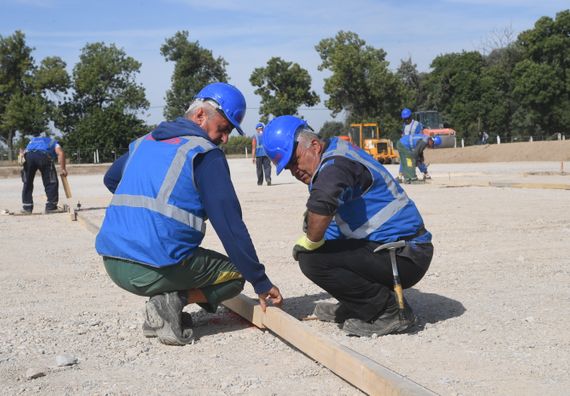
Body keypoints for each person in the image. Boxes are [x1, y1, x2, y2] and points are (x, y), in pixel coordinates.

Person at [95, 82, 283, 346]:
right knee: (236, 275)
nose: (225, 138)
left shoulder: (143, 142)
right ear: (200, 116)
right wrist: (260, 281)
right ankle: (171, 301)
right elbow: (230, 227)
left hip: (113, 261)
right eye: (224, 128)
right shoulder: (205, 154)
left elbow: (112, 179)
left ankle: (162, 307)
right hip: (152, 266)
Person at [262, 115, 434, 337]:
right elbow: (334, 223)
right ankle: (359, 304)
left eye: (294, 161)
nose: (294, 171)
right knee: (316, 238)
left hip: (406, 256)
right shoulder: (331, 158)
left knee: (312, 260)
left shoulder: (335, 165)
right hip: (395, 250)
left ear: (314, 145)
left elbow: (322, 207)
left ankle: (388, 311)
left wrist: (310, 242)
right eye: (288, 168)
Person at [21, 134, 68, 214]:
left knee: (27, 182)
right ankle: (51, 207)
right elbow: (61, 153)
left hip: (28, 156)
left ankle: (27, 208)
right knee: (51, 182)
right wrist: (63, 169)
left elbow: (22, 153)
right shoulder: (54, 142)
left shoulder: (33, 140)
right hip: (43, 156)